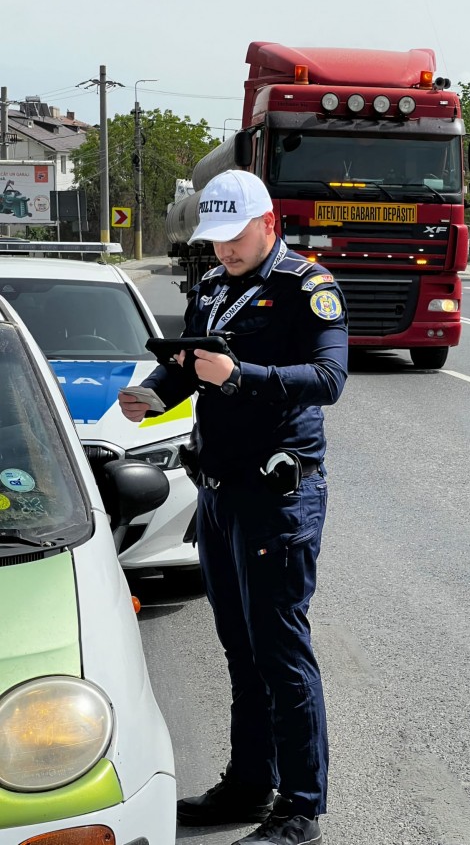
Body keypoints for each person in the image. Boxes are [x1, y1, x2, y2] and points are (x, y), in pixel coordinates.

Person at [118, 169, 348, 845]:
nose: (222, 249)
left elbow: (329, 378)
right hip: (216, 495)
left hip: (277, 498)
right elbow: (190, 363)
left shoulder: (308, 287)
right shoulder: (215, 286)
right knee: (239, 649)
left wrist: (240, 376)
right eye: (212, 238)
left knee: (280, 651)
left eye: (233, 236)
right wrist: (159, 392)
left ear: (267, 223)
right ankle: (249, 784)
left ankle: (300, 805)